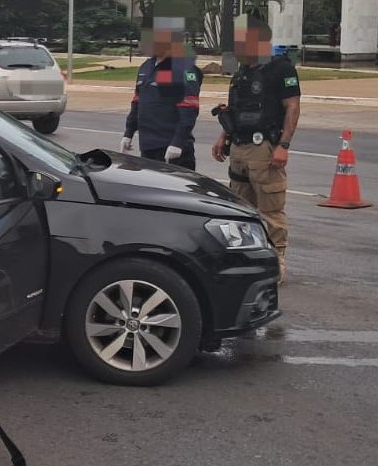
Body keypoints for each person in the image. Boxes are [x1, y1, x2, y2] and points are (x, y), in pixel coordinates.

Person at [211, 16, 301, 283]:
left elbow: (292, 107)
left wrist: (283, 146)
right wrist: (222, 138)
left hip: (265, 149)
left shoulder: (280, 68)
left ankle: (276, 260)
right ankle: (246, 259)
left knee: (270, 209)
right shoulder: (242, 73)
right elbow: (235, 110)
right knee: (240, 208)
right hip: (239, 147)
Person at [120, 15, 203, 170]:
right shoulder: (147, 67)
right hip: (148, 147)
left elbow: (189, 110)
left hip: (172, 151)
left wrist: (177, 143)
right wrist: (129, 132)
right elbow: (137, 103)